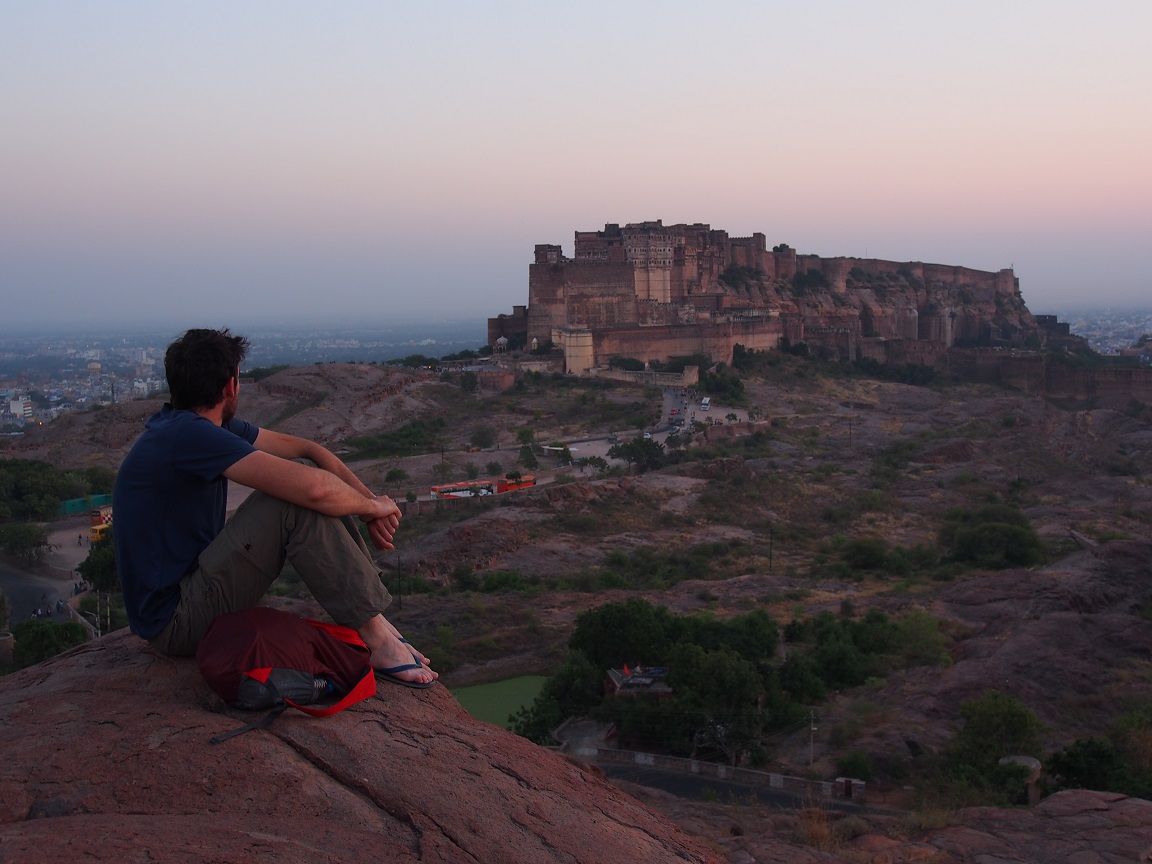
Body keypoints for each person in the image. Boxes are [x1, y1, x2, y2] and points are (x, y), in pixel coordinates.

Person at [113, 328, 435, 688]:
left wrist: (369, 504)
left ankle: (374, 620)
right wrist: (370, 505)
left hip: (187, 597)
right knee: (290, 501)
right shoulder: (189, 435)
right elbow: (312, 489)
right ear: (230, 387)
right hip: (176, 621)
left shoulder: (192, 427)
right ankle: (374, 636)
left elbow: (309, 451)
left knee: (307, 486)